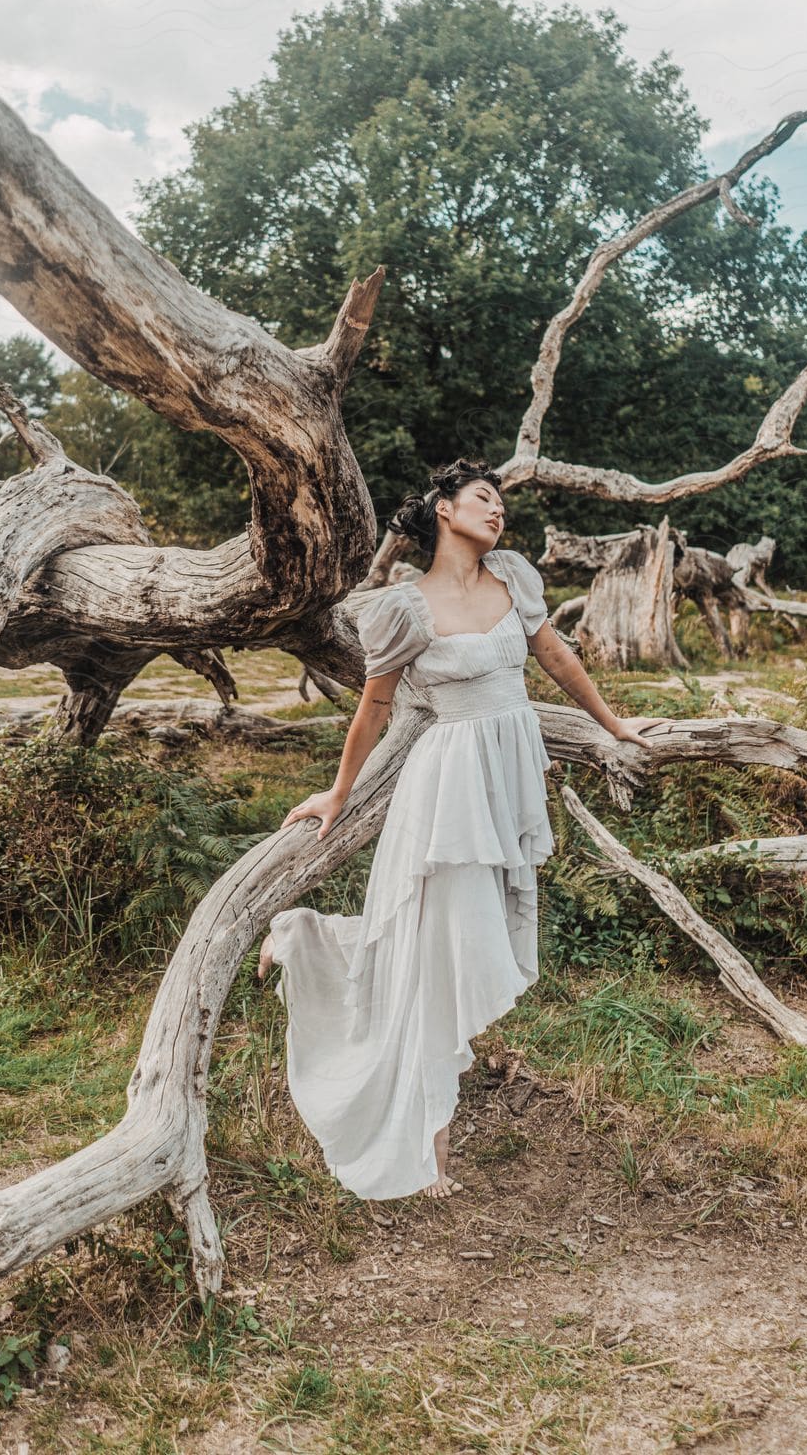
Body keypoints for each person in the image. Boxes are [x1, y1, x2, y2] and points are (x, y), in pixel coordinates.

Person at [257, 457, 648, 1201]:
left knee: (459, 940)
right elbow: (374, 708)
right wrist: (338, 793)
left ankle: (309, 937)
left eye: (499, 503)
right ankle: (430, 1144)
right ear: (443, 509)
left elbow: (555, 656)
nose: (496, 511)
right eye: (481, 498)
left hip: (506, 780)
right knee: (437, 948)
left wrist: (613, 723)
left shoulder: (512, 576)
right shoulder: (404, 606)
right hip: (449, 790)